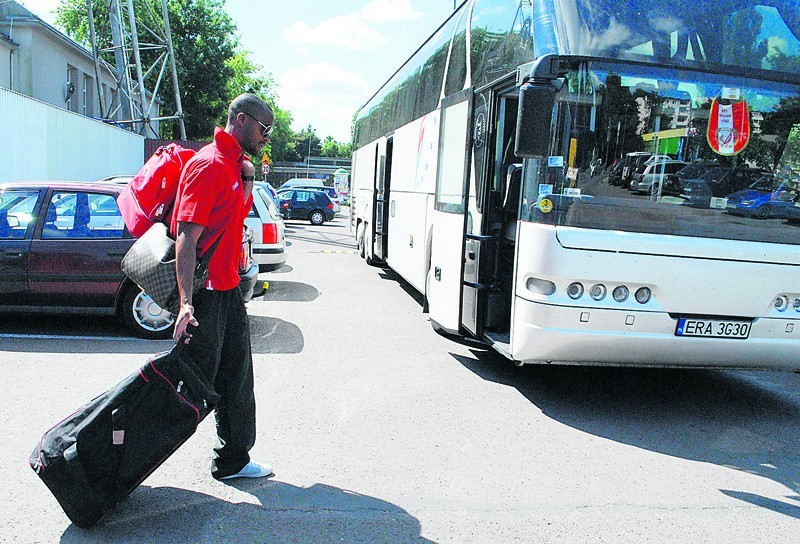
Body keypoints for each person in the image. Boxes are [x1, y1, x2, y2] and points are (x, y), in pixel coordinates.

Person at [171, 93, 274, 480]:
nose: (267, 137)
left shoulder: (234, 168)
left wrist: (247, 182)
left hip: (228, 289)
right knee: (191, 385)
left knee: (237, 376)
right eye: (264, 129)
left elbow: (231, 224)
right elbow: (186, 238)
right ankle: (128, 455)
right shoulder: (209, 165)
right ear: (242, 121)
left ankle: (233, 461)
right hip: (207, 295)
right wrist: (185, 304)